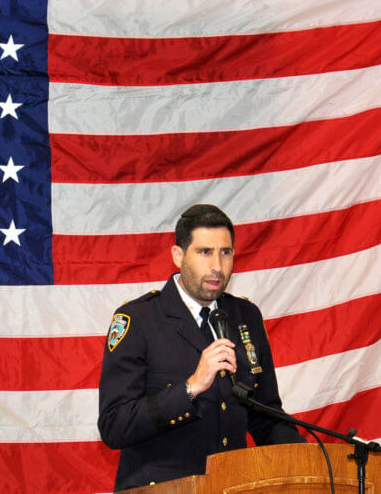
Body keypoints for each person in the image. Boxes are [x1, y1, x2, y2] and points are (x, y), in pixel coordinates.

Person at [98, 204, 305, 491]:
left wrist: (313, 460)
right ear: (178, 255)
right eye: (205, 252)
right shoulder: (139, 319)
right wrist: (190, 388)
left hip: (232, 486)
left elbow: (266, 416)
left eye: (226, 252)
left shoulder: (245, 316)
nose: (217, 267)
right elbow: (114, 426)